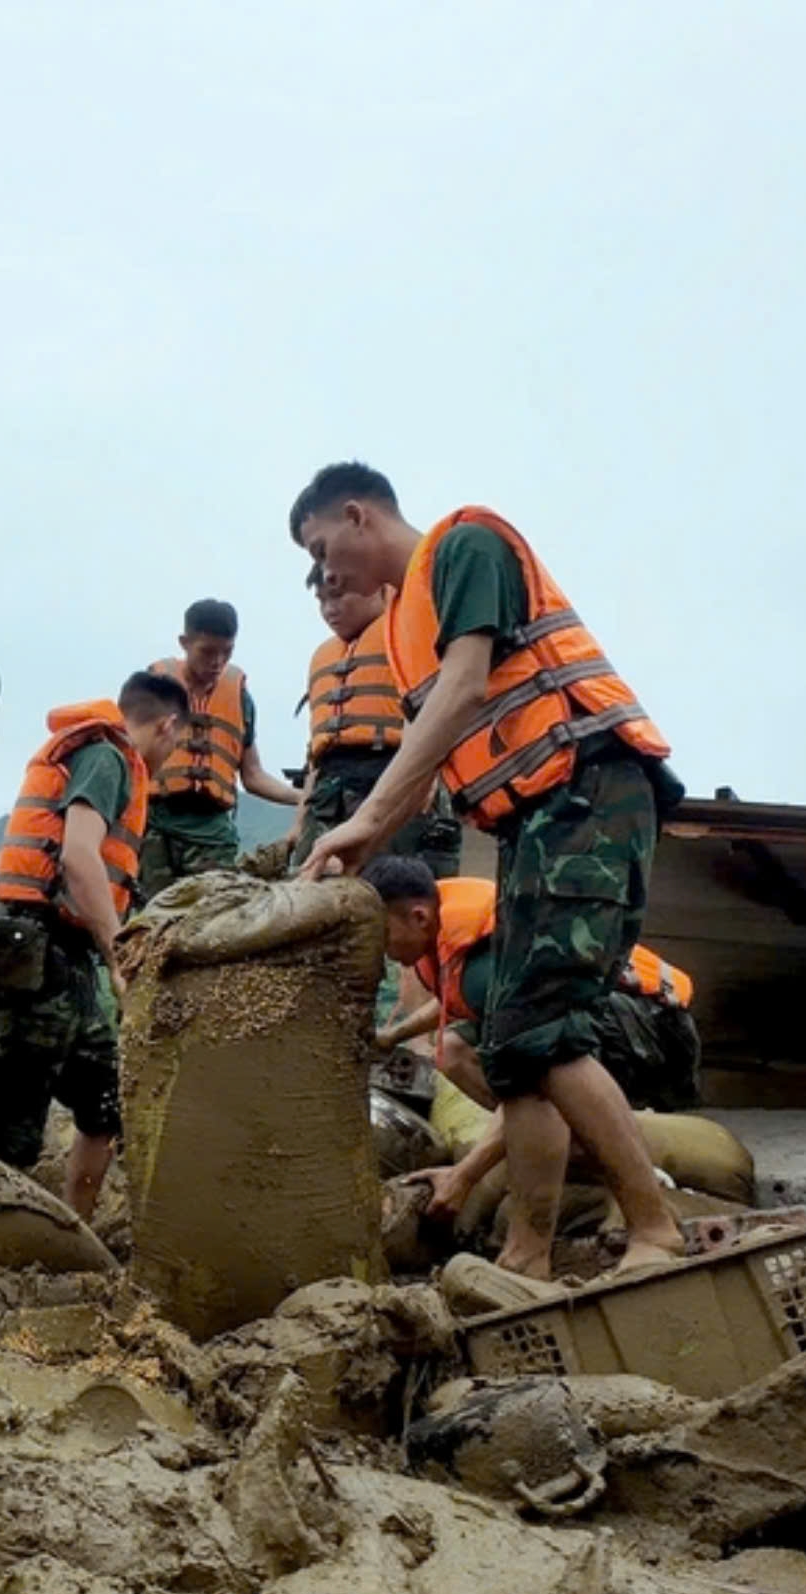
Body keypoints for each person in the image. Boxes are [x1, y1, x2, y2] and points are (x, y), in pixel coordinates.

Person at [291, 461, 686, 1277]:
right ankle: (526, 1253)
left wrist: (366, 817)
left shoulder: (464, 548)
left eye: (324, 547)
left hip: (588, 790)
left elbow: (468, 686)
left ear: (359, 516)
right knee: (509, 1051)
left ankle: (655, 1227)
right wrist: (361, 840)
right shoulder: (403, 627)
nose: (324, 571)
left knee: (543, 1026)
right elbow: (429, 757)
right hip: (531, 818)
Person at [0, 672, 188, 1219]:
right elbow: (79, 858)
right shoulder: (107, 755)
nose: (173, 754)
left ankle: (73, 1229)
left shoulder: (112, 758)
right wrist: (118, 953)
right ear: (168, 725)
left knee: (105, 1103)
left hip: (64, 957)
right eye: (177, 742)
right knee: (8, 1127)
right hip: (35, 949)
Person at [365, 860, 701, 1243]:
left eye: (384, 935)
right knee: (453, 1050)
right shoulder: (444, 931)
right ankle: (560, 1140)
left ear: (418, 916)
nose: (384, 951)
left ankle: (616, 1168)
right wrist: (393, 1035)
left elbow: (523, 1073)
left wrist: (464, 1175)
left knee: (533, 1081)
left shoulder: (485, 961)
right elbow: (459, 999)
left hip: (648, 1024)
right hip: (595, 1013)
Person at [289, 565, 460, 875]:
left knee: (400, 897)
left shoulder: (412, 636)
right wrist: (300, 821)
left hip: (397, 778)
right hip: (329, 799)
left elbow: (440, 714)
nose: (330, 610)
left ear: (378, 587)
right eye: (322, 600)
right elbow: (316, 755)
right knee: (309, 898)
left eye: (339, 597)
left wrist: (427, 782)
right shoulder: (323, 658)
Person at [137, 598, 303, 901]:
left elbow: (252, 775)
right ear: (185, 643)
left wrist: (301, 798)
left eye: (227, 652)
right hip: (154, 828)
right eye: (208, 652)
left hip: (212, 833)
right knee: (153, 923)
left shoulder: (240, 699)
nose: (217, 662)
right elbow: (129, 759)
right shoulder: (153, 689)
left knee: (215, 920)